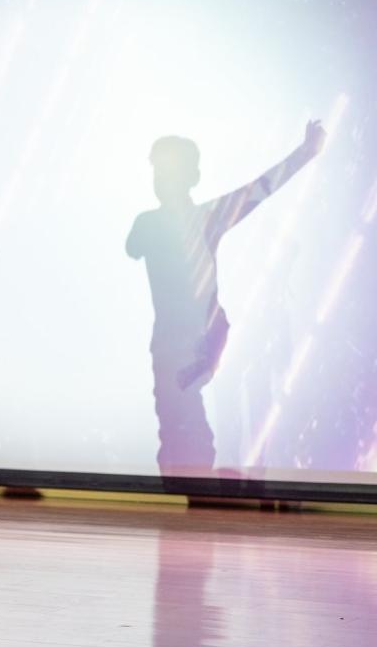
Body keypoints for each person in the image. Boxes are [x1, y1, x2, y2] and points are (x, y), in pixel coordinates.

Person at [126, 120, 326, 480]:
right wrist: (305, 153)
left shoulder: (195, 218)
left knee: (186, 438)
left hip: (192, 347)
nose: (161, 179)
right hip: (176, 350)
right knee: (181, 438)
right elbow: (135, 245)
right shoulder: (172, 221)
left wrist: (305, 153)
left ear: (190, 177)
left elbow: (259, 189)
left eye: (167, 171)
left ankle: (211, 485)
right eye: (158, 171)